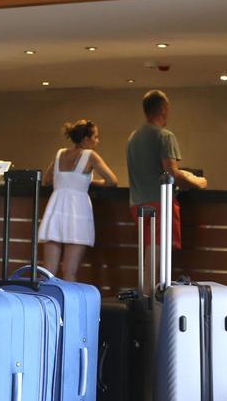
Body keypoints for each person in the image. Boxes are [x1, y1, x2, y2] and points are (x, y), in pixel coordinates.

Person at [125, 90, 207, 249]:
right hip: (159, 203)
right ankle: (154, 276)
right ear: (163, 109)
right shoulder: (165, 136)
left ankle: (149, 275)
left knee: (149, 249)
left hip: (136, 204)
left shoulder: (132, 138)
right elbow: (171, 174)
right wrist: (198, 183)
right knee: (158, 252)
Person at [39, 120, 119, 280]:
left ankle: (46, 303)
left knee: (48, 271)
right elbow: (112, 181)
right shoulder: (90, 156)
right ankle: (69, 305)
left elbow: (47, 180)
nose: (98, 140)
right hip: (77, 210)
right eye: (95, 137)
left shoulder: (60, 154)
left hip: (56, 208)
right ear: (86, 139)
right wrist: (89, 181)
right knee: (70, 270)